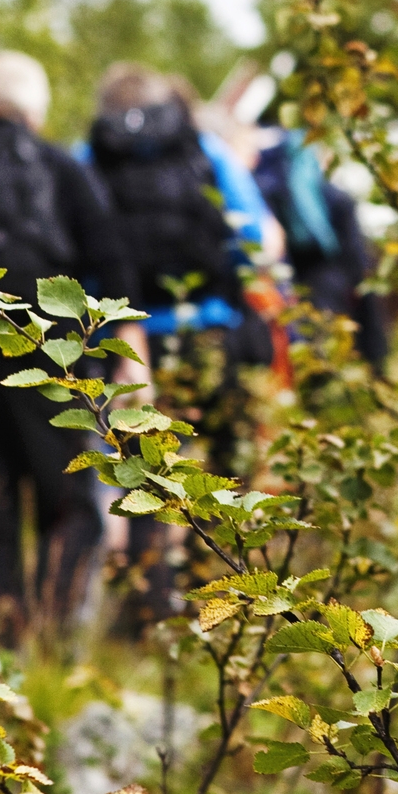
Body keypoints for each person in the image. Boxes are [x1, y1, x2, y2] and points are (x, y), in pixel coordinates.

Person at [0, 51, 149, 652]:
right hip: (52, 362)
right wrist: (128, 363)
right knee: (68, 505)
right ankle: (56, 648)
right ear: (33, 108)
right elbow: (113, 266)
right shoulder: (59, 169)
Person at [83, 65, 273, 624]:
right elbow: (254, 237)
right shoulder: (205, 152)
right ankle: (217, 613)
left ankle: (145, 617)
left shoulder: (90, 155)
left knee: (142, 478)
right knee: (216, 471)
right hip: (205, 332)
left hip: (122, 339)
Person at [253, 128, 389, 373]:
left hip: (296, 297)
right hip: (337, 296)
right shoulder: (335, 199)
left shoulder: (270, 196)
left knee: (315, 361)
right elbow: (358, 265)